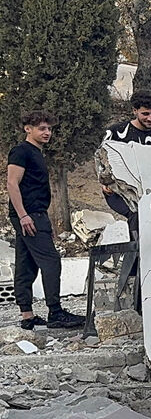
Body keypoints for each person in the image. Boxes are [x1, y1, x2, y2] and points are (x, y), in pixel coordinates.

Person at [6, 111, 84, 330]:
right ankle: (56, 312)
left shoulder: (37, 153)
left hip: (36, 214)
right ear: (27, 129)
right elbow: (12, 184)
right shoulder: (21, 151)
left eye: (49, 128)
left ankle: (27, 316)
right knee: (51, 261)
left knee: (25, 264)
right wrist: (23, 215)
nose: (47, 132)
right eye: (41, 128)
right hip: (28, 215)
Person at [100, 91, 151, 226]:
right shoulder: (116, 132)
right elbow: (100, 158)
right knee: (137, 215)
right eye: (145, 114)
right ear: (135, 111)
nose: (150, 118)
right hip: (121, 191)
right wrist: (105, 183)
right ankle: (137, 247)